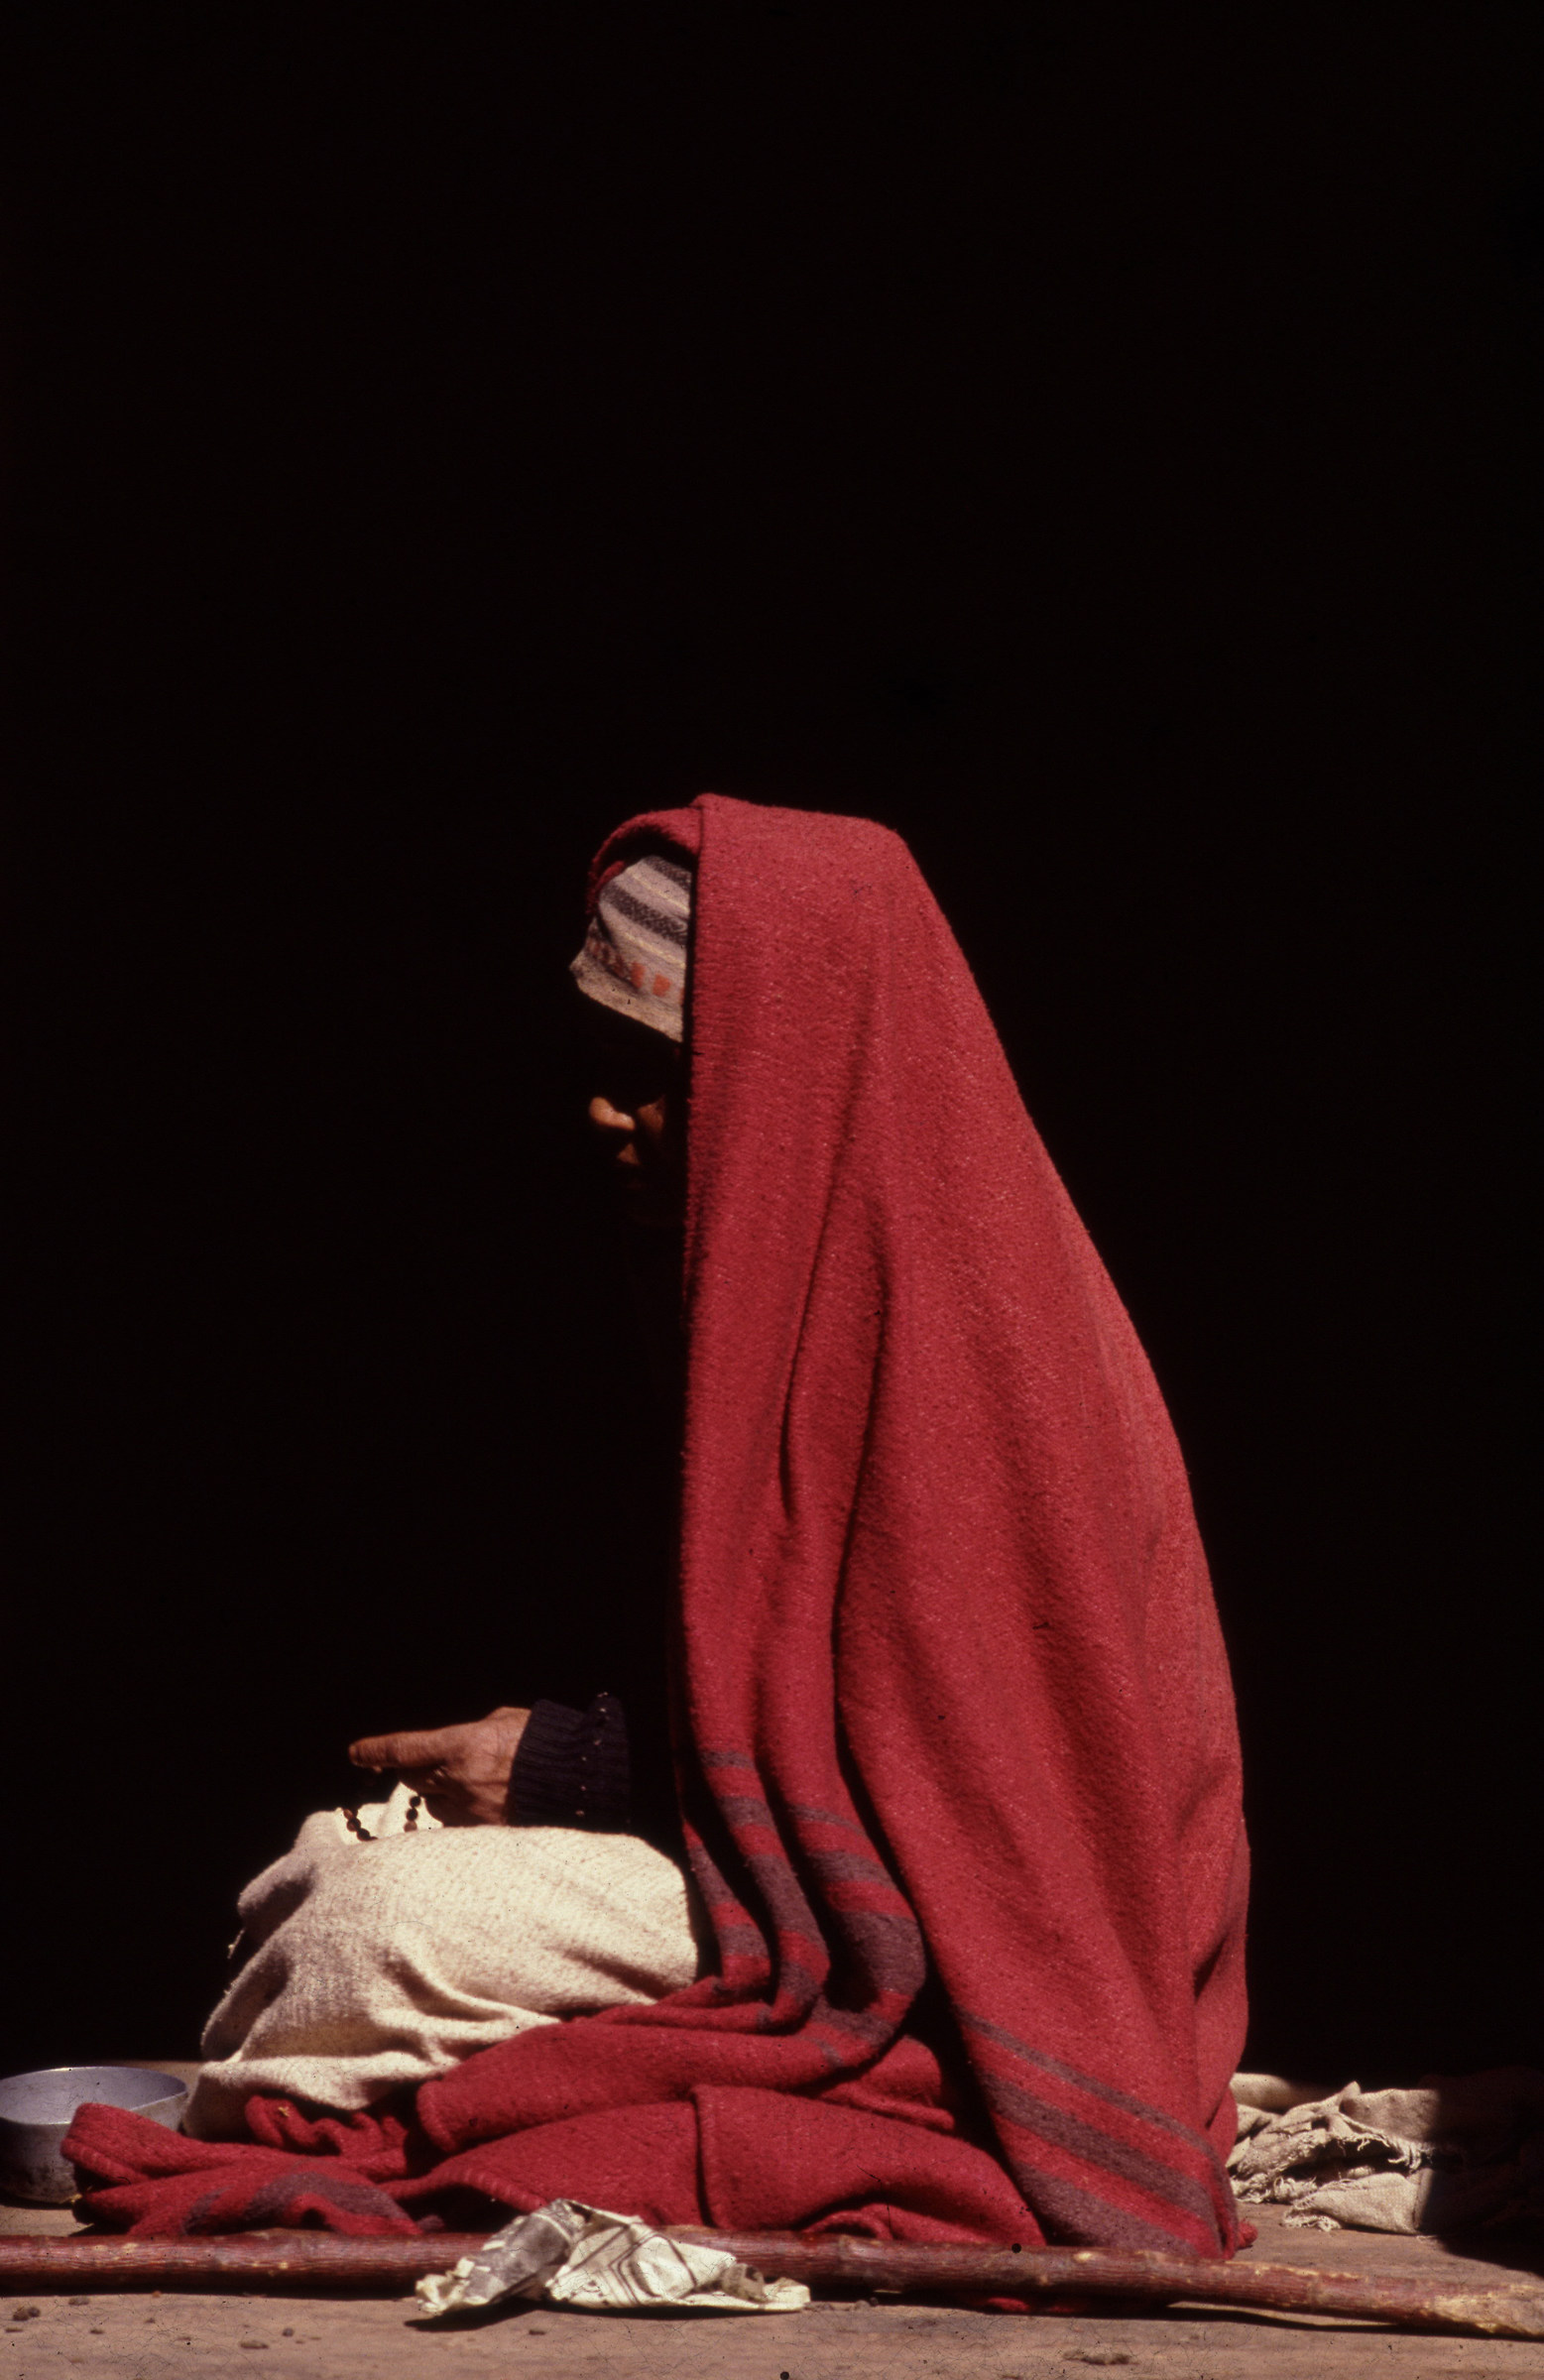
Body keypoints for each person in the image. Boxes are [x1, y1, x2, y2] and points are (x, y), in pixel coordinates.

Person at [68, 793, 1249, 2259]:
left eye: (659, 1077)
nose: (605, 1116)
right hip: (797, 1891)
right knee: (319, 1885)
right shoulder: (768, 1289)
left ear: (794, 1075)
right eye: (599, 1071)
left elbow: (994, 1804)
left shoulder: (965, 1335)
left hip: (954, 1963)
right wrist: (581, 1766)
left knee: (364, 1934)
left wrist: (572, 1767)